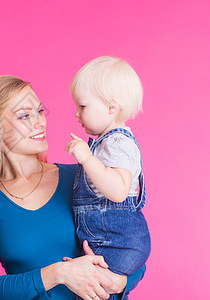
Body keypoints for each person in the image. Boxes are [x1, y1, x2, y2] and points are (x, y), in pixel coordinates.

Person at [0, 75, 145, 300]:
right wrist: (59, 273)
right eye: (25, 115)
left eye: (40, 111)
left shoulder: (82, 176)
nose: (40, 122)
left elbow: (133, 246)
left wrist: (119, 281)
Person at [66, 56, 150, 278]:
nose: (76, 113)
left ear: (111, 106)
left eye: (82, 106)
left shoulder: (118, 143)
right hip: (105, 240)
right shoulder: (106, 142)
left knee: (87, 284)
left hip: (117, 243)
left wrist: (87, 158)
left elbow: (118, 192)